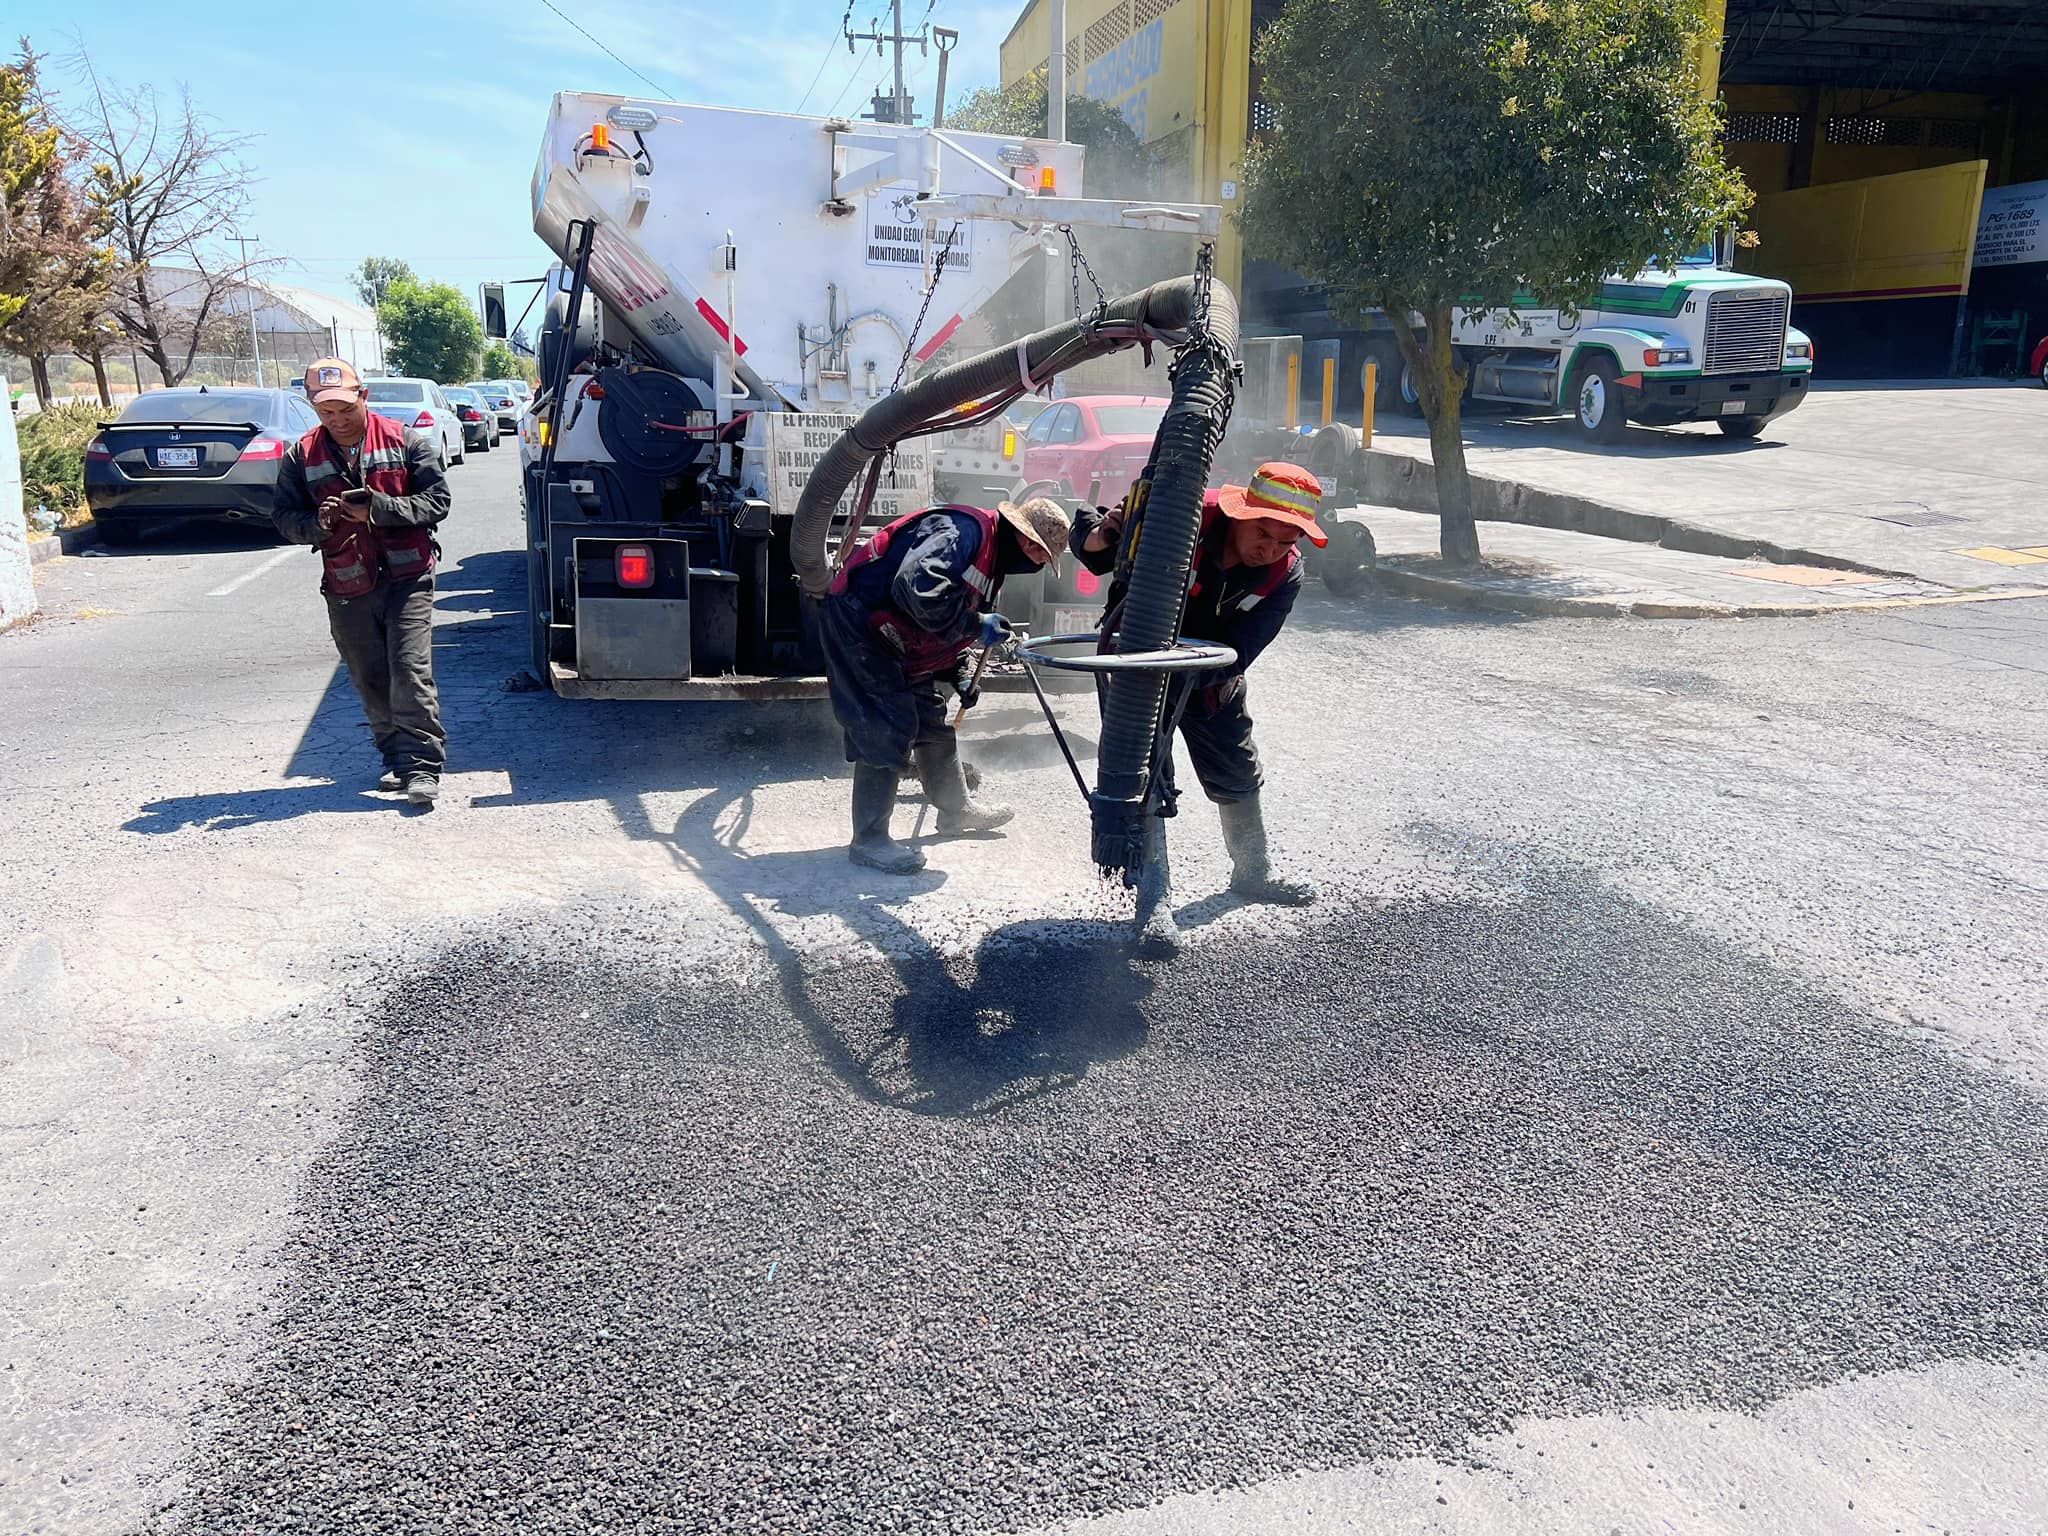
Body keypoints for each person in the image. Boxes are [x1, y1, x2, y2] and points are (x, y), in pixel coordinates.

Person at [1070, 461, 1326, 941]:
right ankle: (1153, 900)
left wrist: (1198, 673)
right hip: (1137, 669)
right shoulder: (1180, 516)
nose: (1268, 550)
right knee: (1146, 778)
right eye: (1263, 534)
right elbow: (1091, 547)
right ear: (1240, 514)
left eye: (1284, 542)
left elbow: (1246, 647)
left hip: (1212, 678)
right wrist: (1107, 533)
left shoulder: (1283, 574)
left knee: (1237, 770)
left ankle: (1253, 872)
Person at [821, 497, 1073, 873]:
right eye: (1042, 557)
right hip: (861, 625)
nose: (1038, 565)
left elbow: (944, 618)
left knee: (931, 724)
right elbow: (916, 590)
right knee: (886, 723)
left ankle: (956, 811)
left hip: (899, 635)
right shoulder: (963, 533)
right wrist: (975, 626)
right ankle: (869, 839)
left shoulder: (991, 557)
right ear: (1030, 543)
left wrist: (959, 671)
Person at [272, 358, 452, 808]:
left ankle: (422, 767)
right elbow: (283, 519)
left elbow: (438, 500)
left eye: (345, 409)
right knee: (370, 675)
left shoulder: (405, 439)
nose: (336, 420)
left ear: (363, 397)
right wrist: (318, 523)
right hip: (347, 580)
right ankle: (394, 758)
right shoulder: (300, 455)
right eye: (325, 412)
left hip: (408, 575)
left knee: (409, 671)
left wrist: (378, 508)